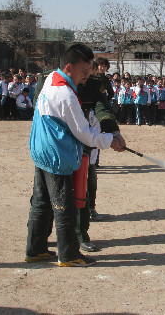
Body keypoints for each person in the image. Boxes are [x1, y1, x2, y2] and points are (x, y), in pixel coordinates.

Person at [26, 43, 125, 267]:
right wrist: (111, 141)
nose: (88, 76)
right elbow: (85, 135)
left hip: (42, 151)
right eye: (84, 71)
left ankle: (36, 248)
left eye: (90, 70)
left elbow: (100, 108)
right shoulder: (66, 94)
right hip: (57, 156)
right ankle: (69, 255)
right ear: (69, 68)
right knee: (65, 207)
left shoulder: (52, 78)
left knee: (41, 202)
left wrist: (112, 130)